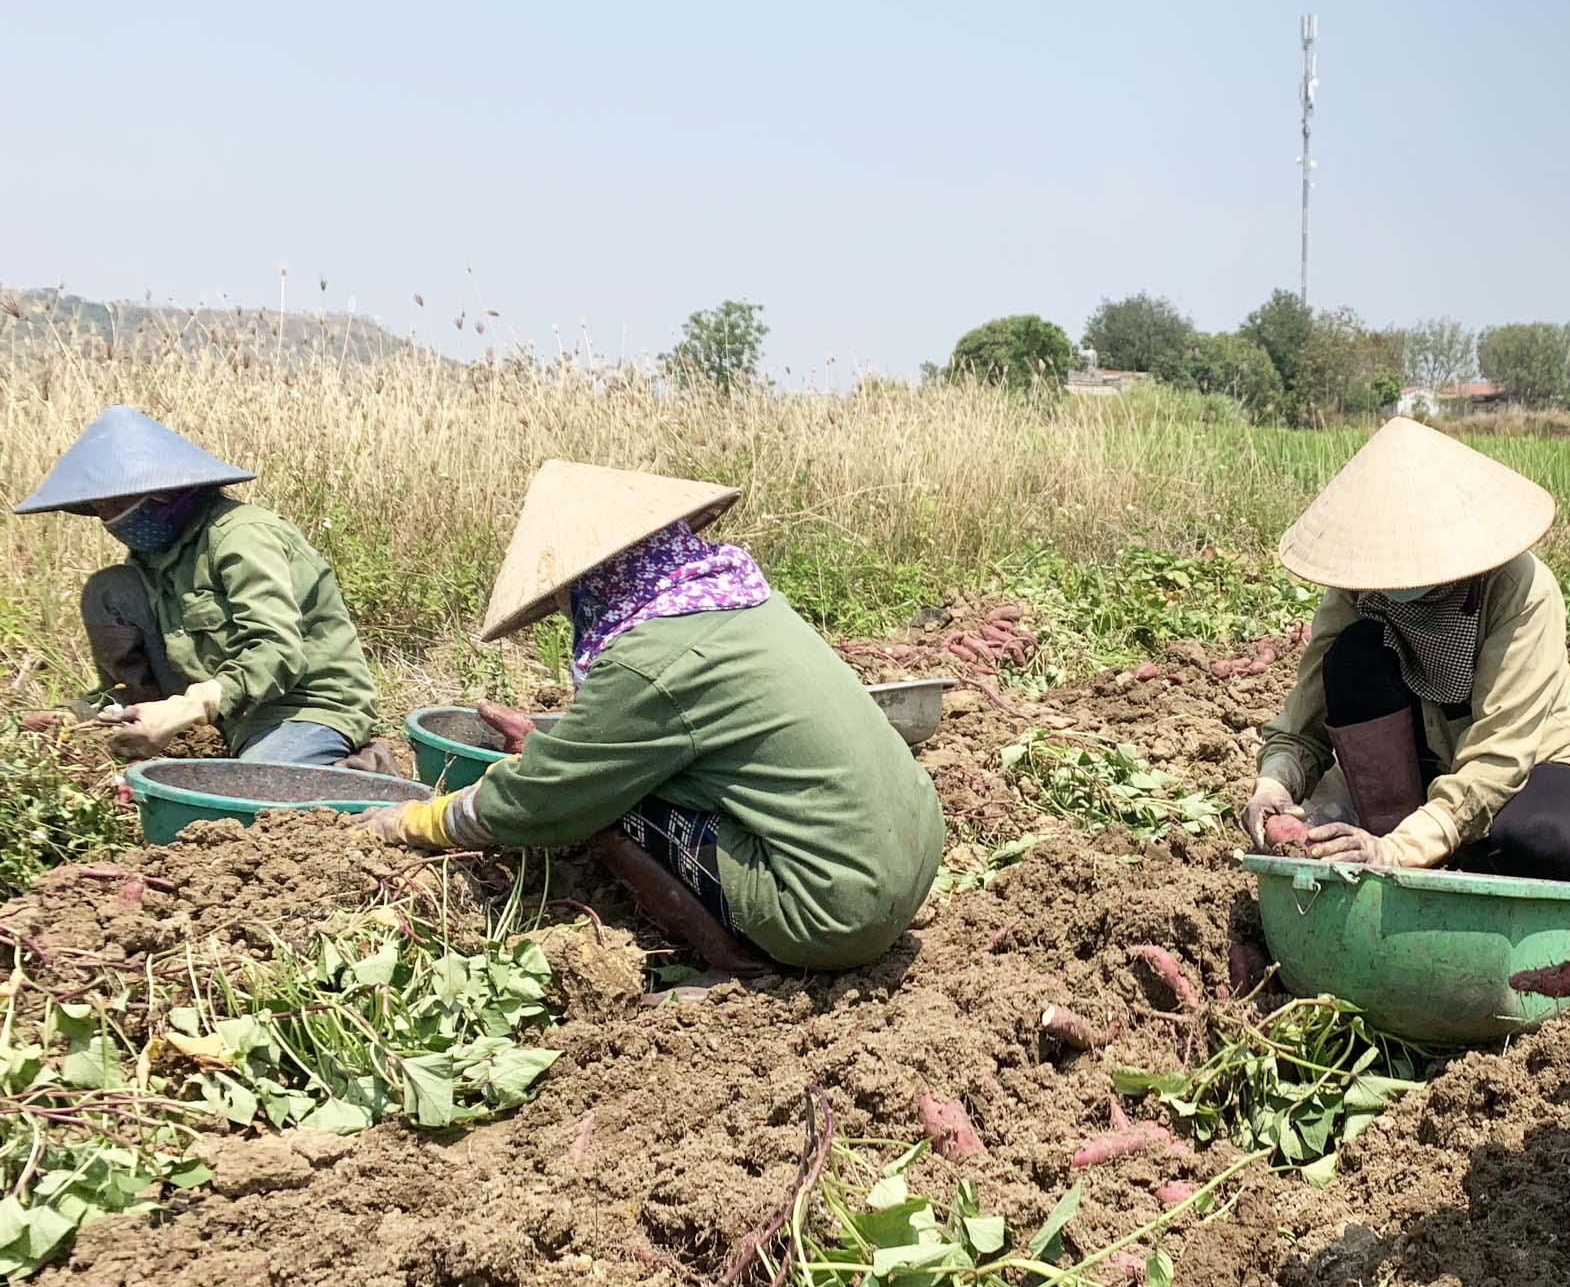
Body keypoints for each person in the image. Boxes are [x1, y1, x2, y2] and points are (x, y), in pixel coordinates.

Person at [364, 459, 945, 973]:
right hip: (912, 855)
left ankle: (727, 960)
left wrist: (420, 821)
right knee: (613, 783)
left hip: (829, 912)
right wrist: (558, 746)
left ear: (597, 582)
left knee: (600, 807)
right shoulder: (733, 598)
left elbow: (543, 803)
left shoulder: (648, 660)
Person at [1247, 418, 1570, 880]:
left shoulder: (1519, 589)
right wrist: (1276, 779)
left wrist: (1401, 848)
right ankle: (1400, 828)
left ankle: (1439, 841)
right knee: (1353, 655)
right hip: (1424, 764)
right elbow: (1303, 723)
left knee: (1540, 845)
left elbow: (1502, 753)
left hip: (1533, 762)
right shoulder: (1357, 589)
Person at [12, 405, 381, 766]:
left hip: (300, 707)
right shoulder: (156, 554)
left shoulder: (243, 537)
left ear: (161, 494)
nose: (108, 519)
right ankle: (149, 718)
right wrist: (90, 714)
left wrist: (190, 707)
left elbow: (278, 652)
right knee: (110, 590)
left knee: (243, 798)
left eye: (113, 503)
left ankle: (354, 769)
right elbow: (158, 653)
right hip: (223, 709)